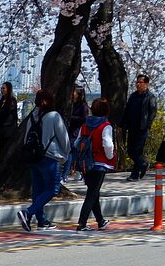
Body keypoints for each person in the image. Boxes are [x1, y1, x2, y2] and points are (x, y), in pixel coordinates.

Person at [17, 88, 70, 231]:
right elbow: (64, 139)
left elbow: (26, 138)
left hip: (34, 157)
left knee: (38, 190)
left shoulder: (32, 116)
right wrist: (65, 155)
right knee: (53, 188)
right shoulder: (54, 116)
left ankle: (42, 221)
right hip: (50, 157)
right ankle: (28, 213)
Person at [74, 98, 115, 231]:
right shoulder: (105, 125)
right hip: (99, 163)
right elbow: (108, 144)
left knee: (93, 192)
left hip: (85, 163)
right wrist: (111, 156)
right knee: (92, 193)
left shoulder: (85, 124)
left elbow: (77, 142)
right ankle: (82, 223)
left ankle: (100, 220)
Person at [121, 73, 156, 180]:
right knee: (130, 151)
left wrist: (147, 125)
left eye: (140, 82)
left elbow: (152, 112)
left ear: (146, 84)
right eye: (137, 82)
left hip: (142, 128)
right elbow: (127, 110)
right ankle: (143, 163)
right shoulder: (133, 96)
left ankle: (135, 174)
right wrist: (124, 123)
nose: (138, 84)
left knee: (137, 151)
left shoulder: (150, 97)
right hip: (131, 127)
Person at [63, 88, 88, 181]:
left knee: (71, 152)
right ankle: (76, 170)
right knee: (73, 152)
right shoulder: (71, 104)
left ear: (78, 94)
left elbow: (84, 119)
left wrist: (71, 118)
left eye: (74, 92)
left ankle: (65, 174)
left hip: (77, 131)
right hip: (70, 130)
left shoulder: (83, 106)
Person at [0, 81, 20, 165]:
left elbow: (5, 113)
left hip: (9, 130)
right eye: (1, 88)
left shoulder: (12, 100)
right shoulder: (1, 101)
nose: (2, 90)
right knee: (2, 150)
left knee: (8, 151)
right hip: (1, 130)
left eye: (4, 88)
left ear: (8, 89)